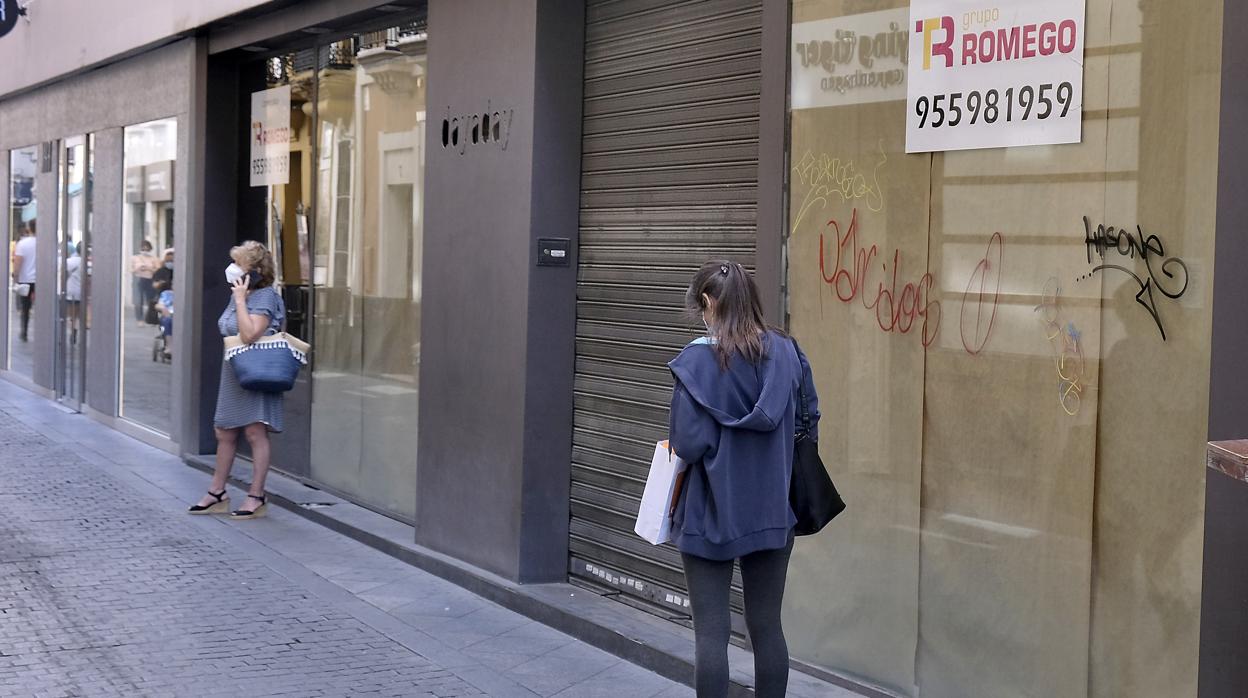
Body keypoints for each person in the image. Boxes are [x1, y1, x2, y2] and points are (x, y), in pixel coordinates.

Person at [667, 260, 819, 698]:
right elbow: (809, 422)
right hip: (773, 509)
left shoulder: (695, 362)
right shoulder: (788, 353)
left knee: (711, 636)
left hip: (709, 513)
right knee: (767, 627)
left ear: (709, 302)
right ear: (751, 300)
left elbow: (689, 444)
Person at [189, 241, 285, 519]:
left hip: (257, 371)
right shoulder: (238, 295)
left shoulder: (264, 297)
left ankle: (256, 496)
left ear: (254, 271)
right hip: (234, 371)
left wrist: (242, 300)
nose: (232, 269)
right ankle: (217, 492)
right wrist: (239, 298)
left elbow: (250, 334)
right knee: (224, 431)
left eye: (239, 264)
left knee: (255, 432)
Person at [11, 221, 37, 342]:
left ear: (29, 229)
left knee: (25, 308)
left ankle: (24, 332)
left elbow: (18, 262)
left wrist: (15, 277)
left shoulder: (22, 244)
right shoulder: (45, 243)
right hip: (42, 280)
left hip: (25, 280)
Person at [130, 240, 160, 325]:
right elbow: (131, 270)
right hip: (139, 279)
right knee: (138, 300)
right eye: (143, 249)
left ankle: (151, 319)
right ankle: (139, 319)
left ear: (150, 249)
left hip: (150, 279)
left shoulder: (154, 259)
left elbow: (158, 270)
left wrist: (149, 268)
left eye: (147, 249)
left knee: (151, 301)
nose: (145, 251)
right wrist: (138, 268)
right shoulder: (135, 258)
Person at [65, 242, 84, 344]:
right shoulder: (88, 263)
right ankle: (75, 331)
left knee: (72, 315)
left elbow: (63, 275)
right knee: (78, 315)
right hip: (83, 292)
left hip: (71, 290)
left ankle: (73, 331)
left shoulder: (69, 262)